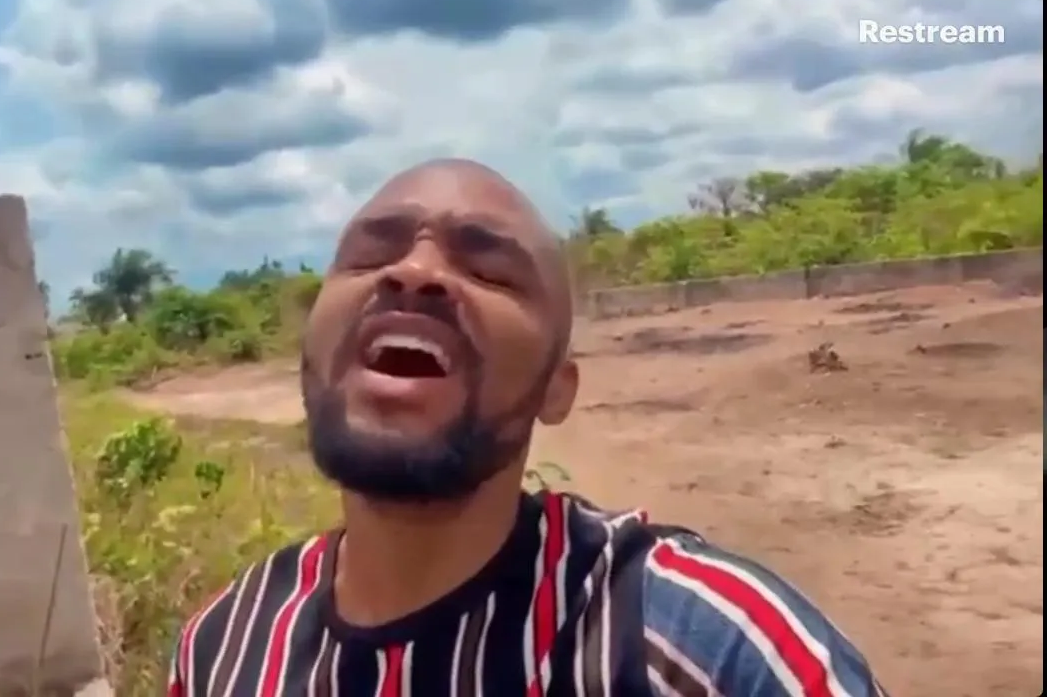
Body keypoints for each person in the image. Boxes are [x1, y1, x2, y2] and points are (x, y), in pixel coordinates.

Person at [167, 159, 889, 697]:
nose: (414, 272)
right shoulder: (224, 648)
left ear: (555, 388)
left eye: (489, 270)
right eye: (371, 254)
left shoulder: (699, 648)